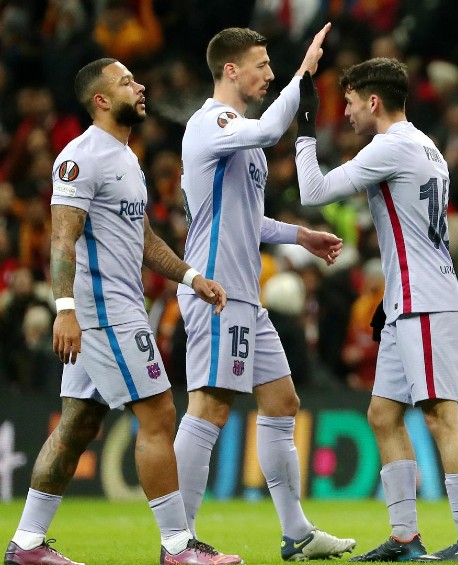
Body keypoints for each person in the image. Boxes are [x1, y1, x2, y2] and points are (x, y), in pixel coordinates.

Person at [5, 58, 238, 565]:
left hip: (114, 309)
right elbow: (61, 239)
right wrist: (64, 309)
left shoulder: (127, 158)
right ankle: (178, 547)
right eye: (127, 82)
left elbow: (144, 238)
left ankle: (26, 544)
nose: (140, 85)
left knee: (76, 425)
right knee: (158, 412)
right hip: (105, 313)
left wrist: (190, 277)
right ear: (102, 100)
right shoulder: (80, 157)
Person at [294, 58, 458, 561]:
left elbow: (312, 191)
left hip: (423, 299)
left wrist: (305, 125)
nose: (347, 112)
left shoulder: (390, 146)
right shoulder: (426, 145)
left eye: (350, 102)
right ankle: (405, 538)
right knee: (383, 415)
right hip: (409, 297)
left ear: (373, 100)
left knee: (441, 415)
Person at [174, 25, 355, 562]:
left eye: (275, 66)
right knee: (209, 407)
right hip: (216, 291)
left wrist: (300, 235)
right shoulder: (211, 124)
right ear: (231, 70)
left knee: (282, 400)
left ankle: (297, 534)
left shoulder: (242, 141)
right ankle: (178, 540)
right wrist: (303, 73)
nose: (270, 74)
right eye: (262, 65)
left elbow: (247, 219)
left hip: (245, 297)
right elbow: (275, 127)